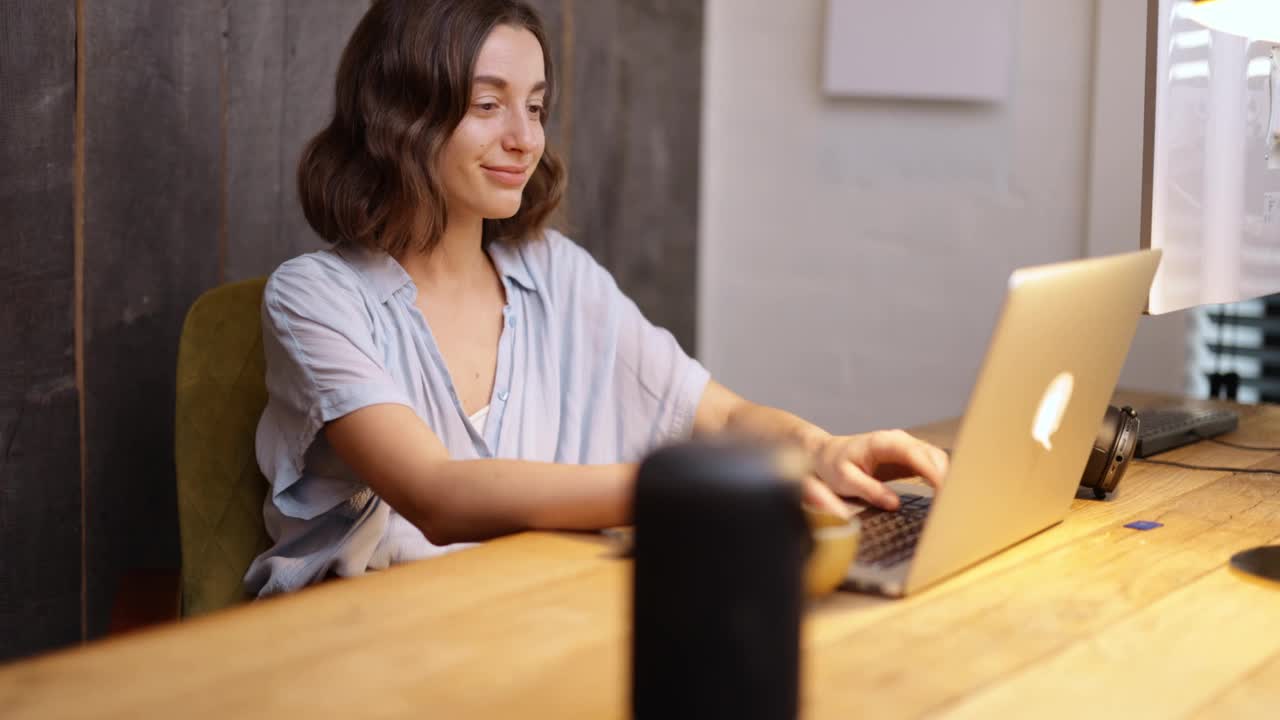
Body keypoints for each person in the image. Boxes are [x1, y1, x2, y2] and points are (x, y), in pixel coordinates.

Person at [245, 0, 949, 596]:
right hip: (366, 641)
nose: (524, 138)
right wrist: (693, 491)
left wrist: (819, 450)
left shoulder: (554, 271)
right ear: (400, 115)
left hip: (531, 611)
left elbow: (720, 413)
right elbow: (437, 496)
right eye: (488, 105)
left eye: (536, 107)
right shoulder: (315, 298)